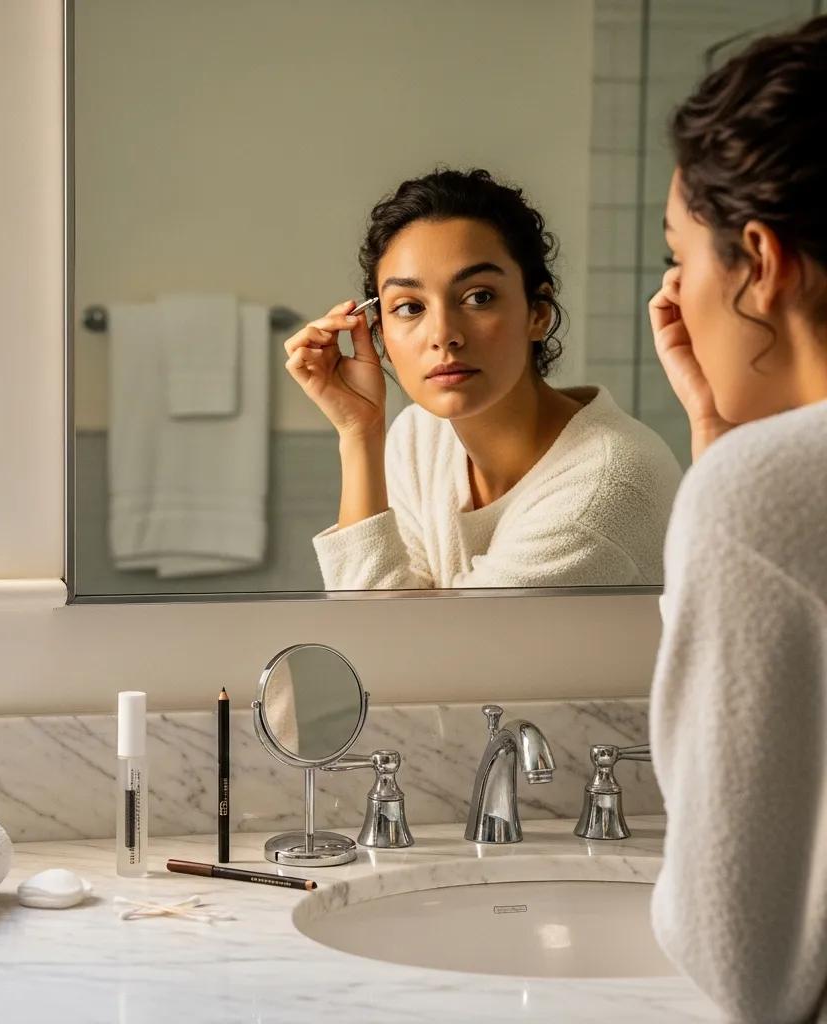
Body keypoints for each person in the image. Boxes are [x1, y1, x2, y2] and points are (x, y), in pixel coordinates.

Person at [648, 16, 827, 1023]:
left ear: (759, 258)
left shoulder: (759, 499)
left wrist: (726, 479)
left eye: (679, 255)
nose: (674, 295)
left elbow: (744, 962)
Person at [284, 168, 681, 589]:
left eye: (478, 297)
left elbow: (394, 630)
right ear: (379, 333)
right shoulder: (420, 437)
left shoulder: (603, 490)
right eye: (410, 307)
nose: (443, 335)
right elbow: (388, 618)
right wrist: (359, 432)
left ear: (538, 312)